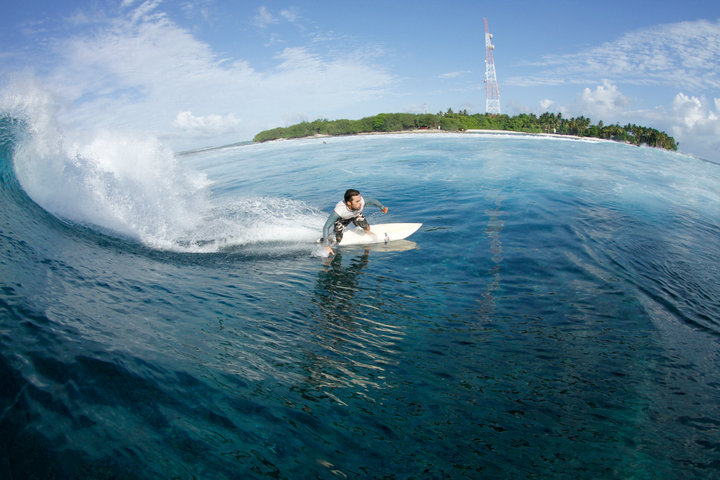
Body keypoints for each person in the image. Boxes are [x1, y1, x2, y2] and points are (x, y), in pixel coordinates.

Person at [322, 189, 388, 255]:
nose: (361, 202)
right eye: (357, 201)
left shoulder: (362, 201)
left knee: (367, 228)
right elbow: (326, 227)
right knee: (338, 240)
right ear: (349, 203)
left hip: (356, 215)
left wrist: (382, 208)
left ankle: (366, 243)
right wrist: (327, 246)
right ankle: (329, 237)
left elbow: (374, 201)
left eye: (360, 199)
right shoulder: (339, 210)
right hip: (343, 219)